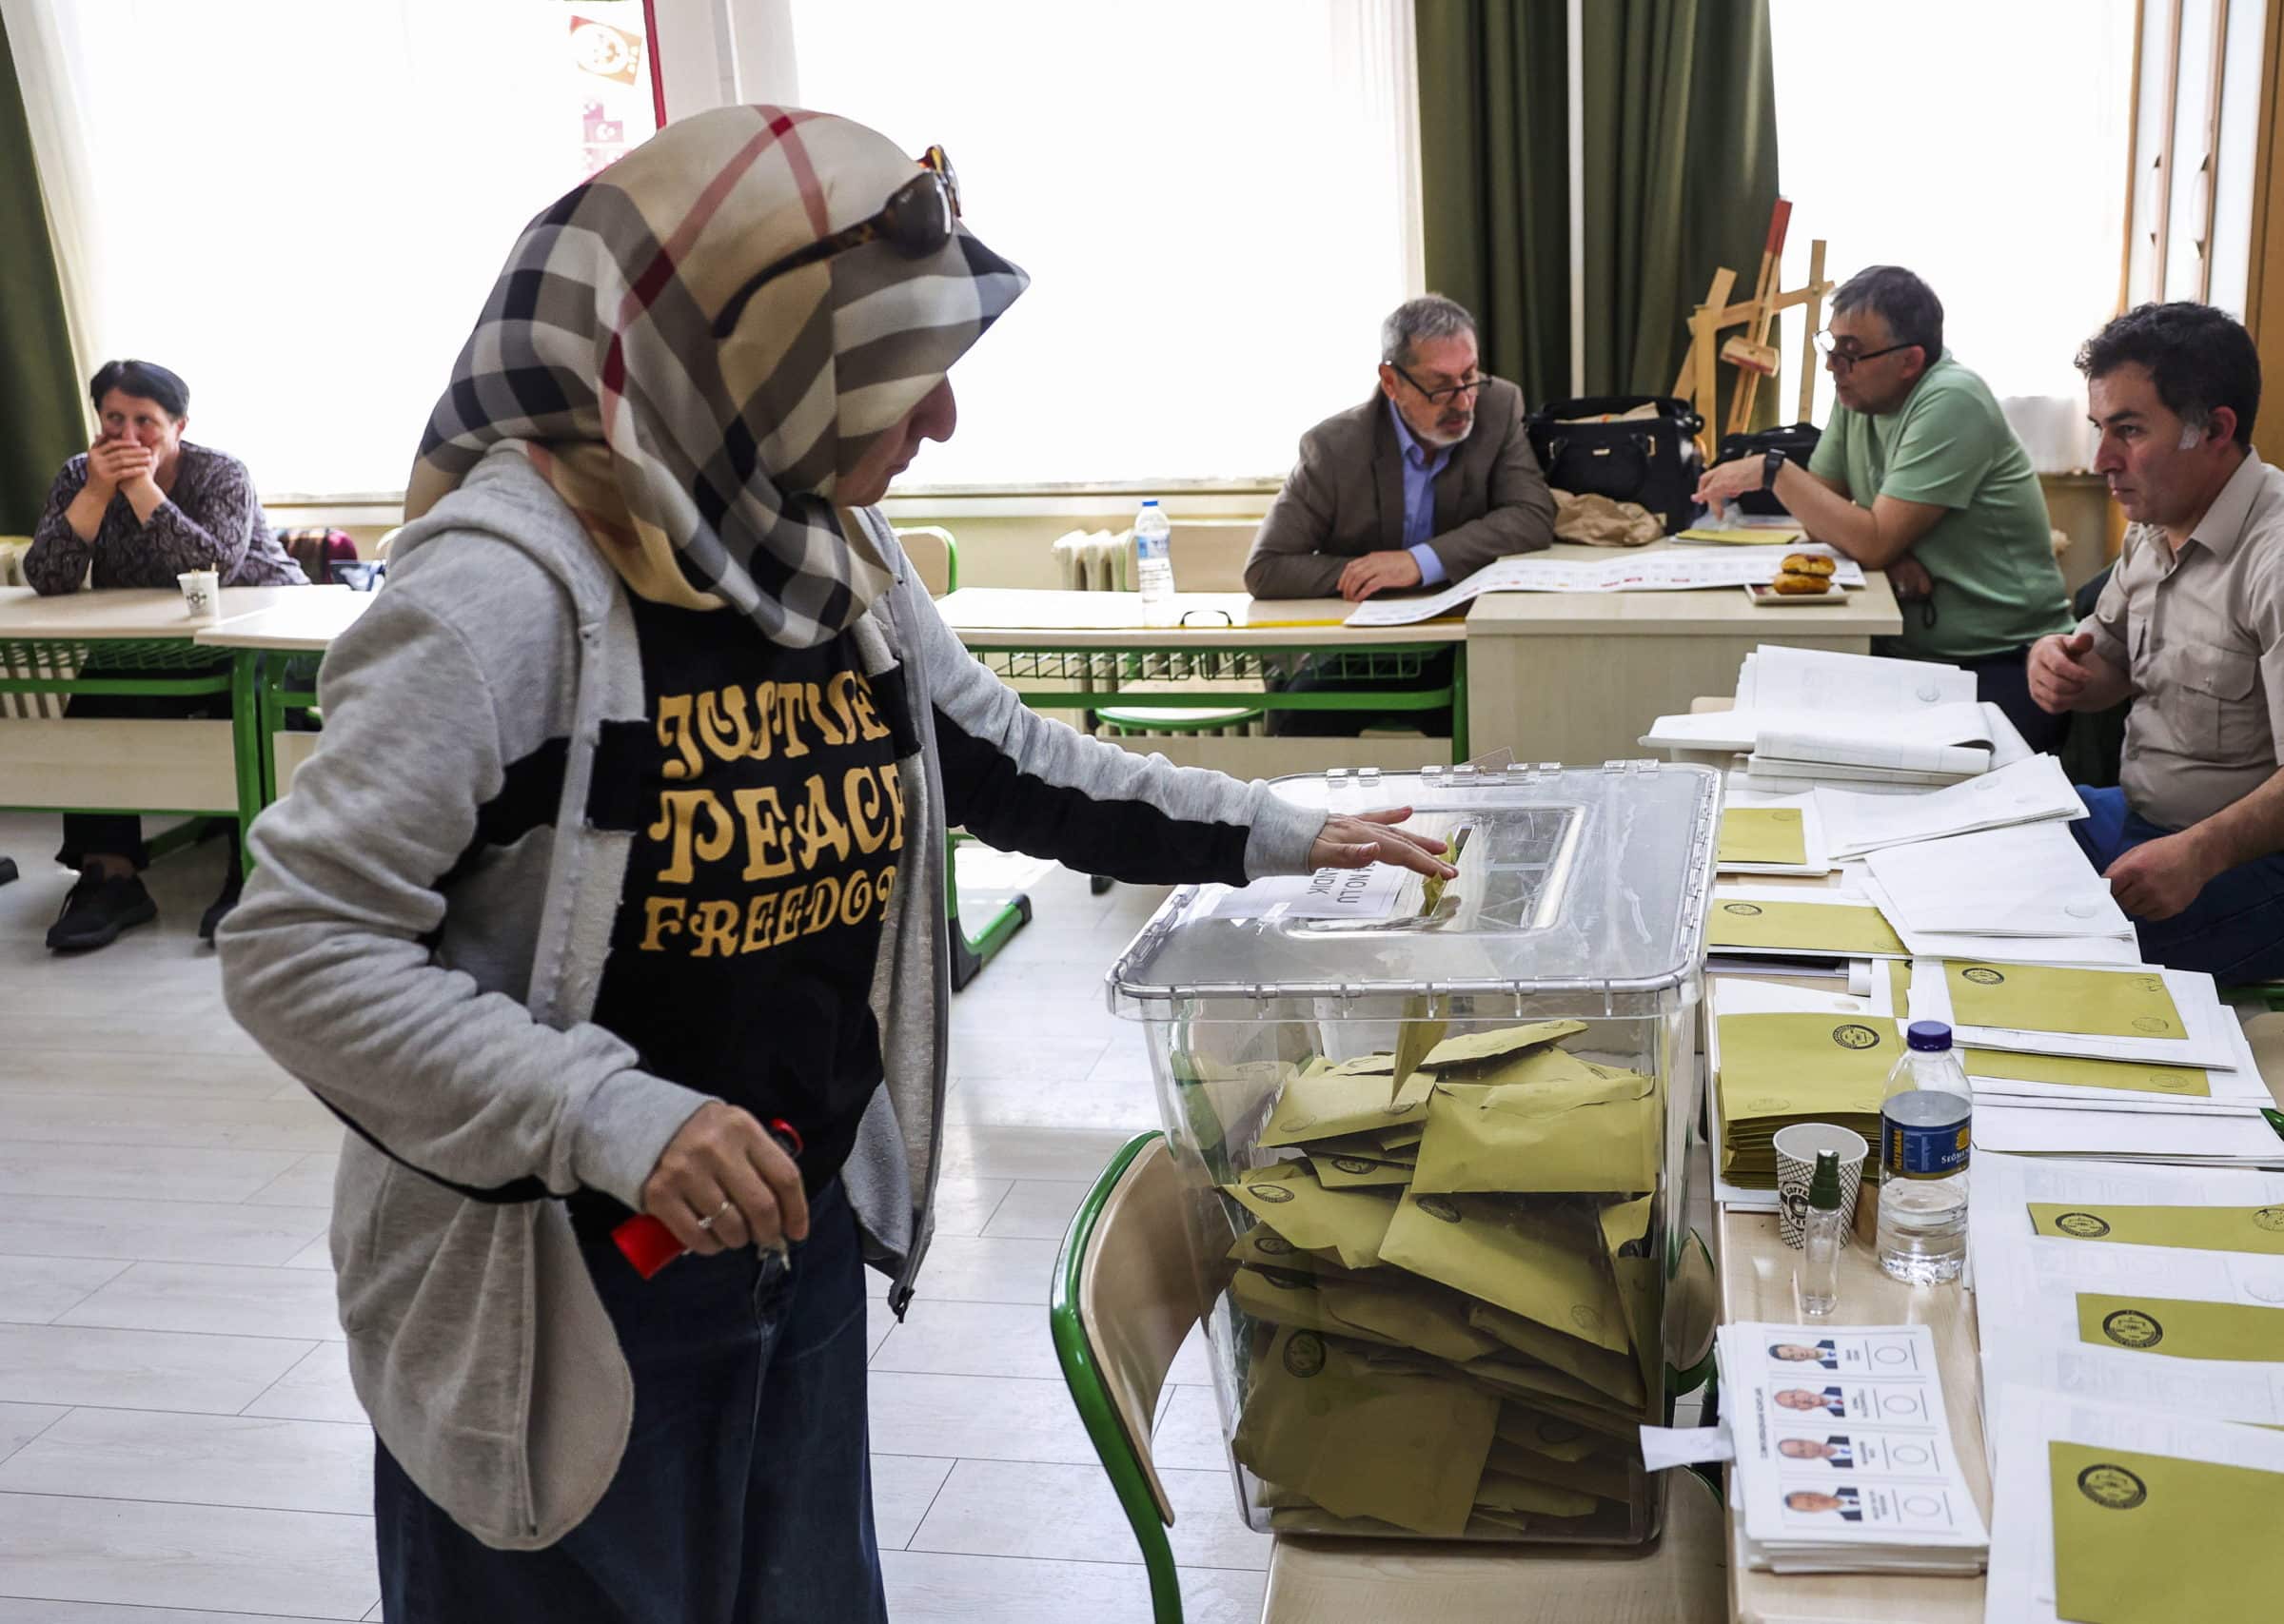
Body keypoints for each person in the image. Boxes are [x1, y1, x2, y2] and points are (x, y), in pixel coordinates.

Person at [215, 108, 1453, 1623]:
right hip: (553, 1281)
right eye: (905, 372)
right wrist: (608, 1109)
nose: (939, 424)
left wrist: (1281, 828)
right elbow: (296, 948)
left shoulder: (820, 548)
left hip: (779, 1238)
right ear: (763, 354)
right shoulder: (504, 590)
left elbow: (1007, 758)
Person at [2028, 303, 2284, 984]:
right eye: (2099, 429)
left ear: (2215, 429)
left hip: (2277, 870)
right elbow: (2106, 660)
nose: (2104, 460)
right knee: (1965, 858)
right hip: (2144, 820)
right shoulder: (2154, 520)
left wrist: (2198, 853)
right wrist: (2060, 662)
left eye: (2129, 431)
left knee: (2044, 957)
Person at [1695, 265, 2075, 751]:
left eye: (1850, 353)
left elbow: (1862, 537)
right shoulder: (1858, 399)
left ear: (1910, 360)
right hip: (1914, 651)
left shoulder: (1951, 399)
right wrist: (1888, 553)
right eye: (1830, 348)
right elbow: (1824, 518)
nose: (1834, 366)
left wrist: (1775, 471)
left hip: (2003, 659)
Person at [25, 359, 307, 950]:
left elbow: (212, 567)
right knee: (101, 692)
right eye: (113, 419)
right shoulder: (80, 474)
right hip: (155, 635)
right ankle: (110, 876)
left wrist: (143, 489)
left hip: (257, 625)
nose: (128, 438)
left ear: (179, 425)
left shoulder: (220, 473)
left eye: (146, 422)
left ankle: (254, 871)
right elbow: (48, 577)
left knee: (250, 701)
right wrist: (99, 491)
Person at [1244, 295, 1553, 738]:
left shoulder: (1498, 406)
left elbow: (1531, 514)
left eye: (1469, 377)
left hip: (1463, 640)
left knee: (1511, 718)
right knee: (1300, 722)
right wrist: (1366, 573)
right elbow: (1265, 568)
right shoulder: (1333, 447)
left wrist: (1418, 561)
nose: (1463, 401)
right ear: (1391, 382)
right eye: (1440, 385)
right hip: (1359, 653)